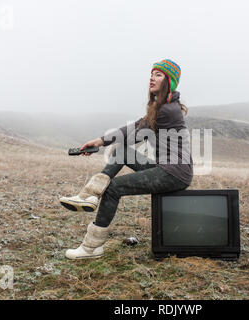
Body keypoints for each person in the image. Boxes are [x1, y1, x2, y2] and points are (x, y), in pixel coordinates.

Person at [59, 59, 193, 259]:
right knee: (121, 151)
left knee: (114, 188)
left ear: (169, 82)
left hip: (174, 173)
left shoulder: (167, 110)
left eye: (158, 75)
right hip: (164, 166)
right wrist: (99, 141)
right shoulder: (161, 105)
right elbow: (135, 127)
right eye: (152, 73)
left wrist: (101, 142)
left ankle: (91, 247)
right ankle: (90, 195)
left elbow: (135, 134)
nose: (152, 77)